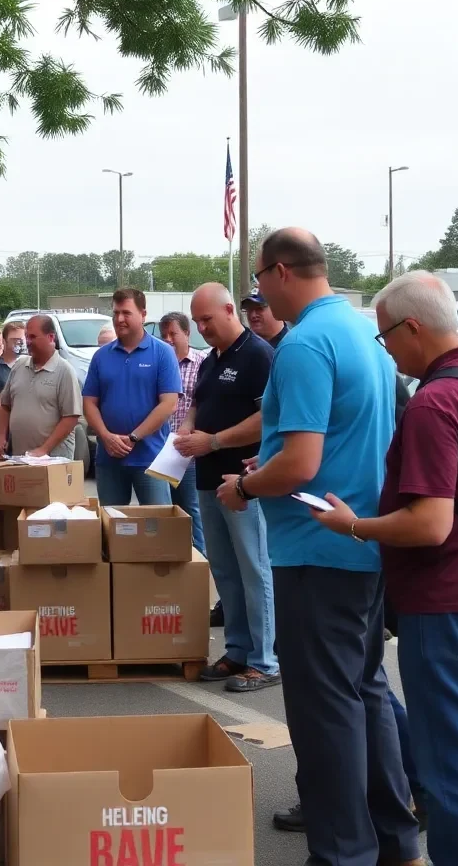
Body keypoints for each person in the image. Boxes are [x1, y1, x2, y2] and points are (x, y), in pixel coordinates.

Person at [217, 229, 420, 866]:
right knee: (365, 691)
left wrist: (247, 484)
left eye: (259, 282)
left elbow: (301, 463)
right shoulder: (364, 332)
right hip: (362, 537)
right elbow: (341, 436)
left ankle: (342, 852)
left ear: (280, 273)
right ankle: (393, 838)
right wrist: (273, 458)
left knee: (323, 708)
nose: (259, 296)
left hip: (315, 547)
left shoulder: (304, 343)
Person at [312, 271, 458, 866]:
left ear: (413, 327)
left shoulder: (436, 401)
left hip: (450, 603)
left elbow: (430, 524)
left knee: (449, 765)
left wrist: (353, 526)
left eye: (386, 338)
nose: (387, 351)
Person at [175, 285, 279, 692]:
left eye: (207, 320)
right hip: (207, 477)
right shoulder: (210, 361)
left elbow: (267, 417)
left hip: (243, 479)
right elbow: (201, 404)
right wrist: (188, 427)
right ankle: (237, 650)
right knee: (226, 570)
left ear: (228, 310)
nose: (202, 329)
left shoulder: (258, 355)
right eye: (197, 322)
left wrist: (214, 441)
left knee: (254, 567)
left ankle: (265, 660)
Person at [82, 289, 182, 506]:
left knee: (157, 525)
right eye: (116, 313)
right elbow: (89, 403)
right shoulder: (101, 356)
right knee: (111, 526)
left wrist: (134, 437)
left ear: (143, 314)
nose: (119, 319)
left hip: (150, 458)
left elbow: (169, 404)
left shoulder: (162, 353)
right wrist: (106, 436)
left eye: (126, 313)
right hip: (109, 459)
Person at [0, 315, 82, 459]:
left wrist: (43, 450)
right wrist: (1, 437)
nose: (28, 342)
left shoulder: (64, 371)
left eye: (33, 337)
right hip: (21, 458)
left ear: (50, 337)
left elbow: (71, 418)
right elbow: (5, 406)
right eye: (26, 337)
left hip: (52, 460)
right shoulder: (19, 365)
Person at [157, 312, 206, 556]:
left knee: (191, 508)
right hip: (158, 450)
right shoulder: (158, 363)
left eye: (173, 334)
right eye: (163, 334)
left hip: (187, 451)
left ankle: (200, 560)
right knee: (165, 510)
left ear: (187, 333)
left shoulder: (201, 363)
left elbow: (204, 405)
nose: (168, 339)